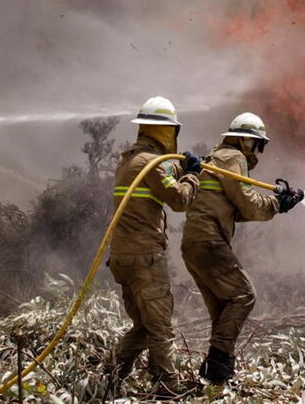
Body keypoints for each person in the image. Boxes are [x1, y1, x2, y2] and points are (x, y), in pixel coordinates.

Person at [181, 112, 304, 385]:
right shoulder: (232, 158)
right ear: (242, 140)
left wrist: (277, 204)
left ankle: (216, 378)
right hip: (210, 242)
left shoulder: (216, 159)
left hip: (194, 244)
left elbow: (234, 210)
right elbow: (247, 202)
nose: (255, 149)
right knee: (244, 295)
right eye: (253, 143)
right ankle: (218, 362)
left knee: (223, 309)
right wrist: (277, 205)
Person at [107, 96, 202, 395]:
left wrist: (178, 170)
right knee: (160, 328)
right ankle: (167, 388)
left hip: (123, 257)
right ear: (166, 131)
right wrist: (193, 176)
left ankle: (112, 375)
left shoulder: (129, 160)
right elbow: (179, 201)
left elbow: (157, 181)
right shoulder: (151, 164)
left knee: (143, 326)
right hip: (144, 257)